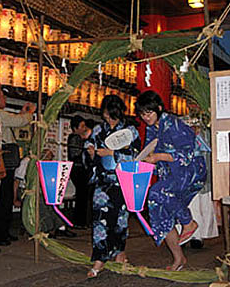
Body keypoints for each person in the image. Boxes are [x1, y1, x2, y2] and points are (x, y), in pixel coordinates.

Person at [134, 90, 207, 271]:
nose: (146, 117)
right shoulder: (152, 129)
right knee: (158, 211)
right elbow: (148, 154)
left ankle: (188, 222)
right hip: (172, 174)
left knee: (158, 192)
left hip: (190, 170)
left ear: (159, 108)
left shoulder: (174, 123)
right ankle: (179, 258)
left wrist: (158, 156)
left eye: (149, 112)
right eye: (142, 114)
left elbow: (188, 153)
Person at [85, 94, 141, 278]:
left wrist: (112, 153)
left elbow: (136, 155)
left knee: (120, 220)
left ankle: (119, 254)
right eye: (106, 114)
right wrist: (92, 153)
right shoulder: (98, 130)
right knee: (100, 220)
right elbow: (88, 148)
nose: (108, 118)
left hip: (122, 180)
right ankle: (99, 259)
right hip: (103, 181)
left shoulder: (130, 130)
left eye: (111, 114)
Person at [0, 82, 36, 246]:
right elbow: (19, 121)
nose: (3, 97)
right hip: (3, 159)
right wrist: (29, 114)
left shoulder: (2, 114)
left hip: (6, 160)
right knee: (3, 198)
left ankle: (3, 232)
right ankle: (0, 234)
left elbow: (15, 120)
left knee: (5, 198)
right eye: (1, 93)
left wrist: (22, 114)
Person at [67, 115, 89, 229]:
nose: (84, 128)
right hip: (78, 169)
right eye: (82, 126)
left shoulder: (77, 137)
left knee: (82, 195)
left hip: (78, 169)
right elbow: (76, 153)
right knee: (82, 195)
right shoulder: (75, 137)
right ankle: (79, 222)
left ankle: (80, 221)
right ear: (75, 128)